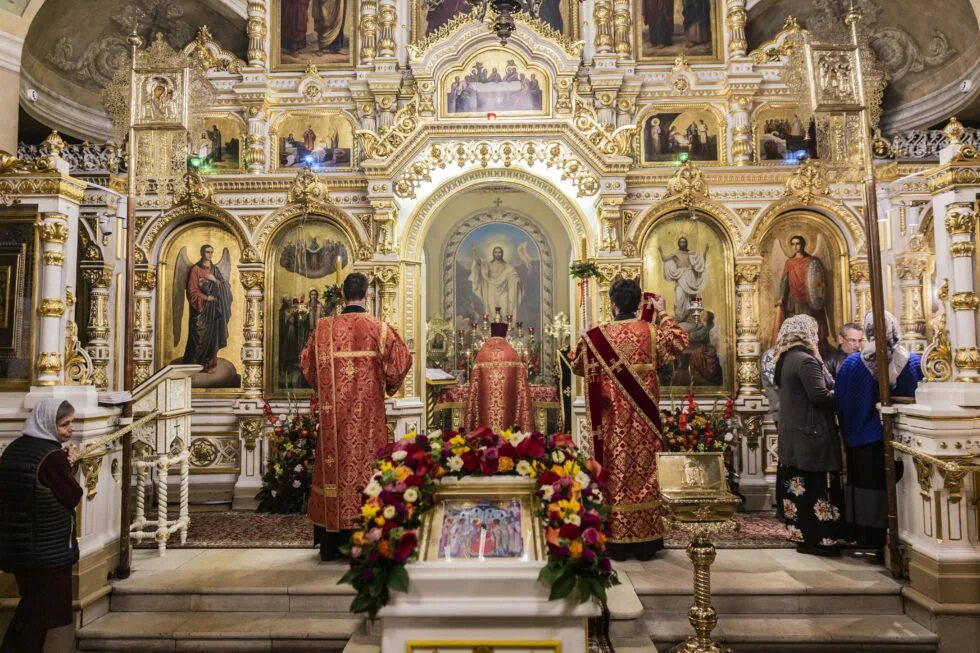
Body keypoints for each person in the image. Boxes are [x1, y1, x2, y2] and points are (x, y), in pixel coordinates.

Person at [571, 280, 689, 560]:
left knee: (616, 474)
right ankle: (646, 542)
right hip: (645, 422)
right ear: (638, 303)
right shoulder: (650, 331)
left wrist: (583, 341)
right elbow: (679, 342)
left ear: (613, 304)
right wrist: (664, 313)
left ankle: (617, 540)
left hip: (612, 424)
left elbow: (577, 366)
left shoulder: (597, 336)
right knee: (645, 474)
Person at [300, 272, 412, 561]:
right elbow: (401, 361)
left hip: (333, 422)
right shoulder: (380, 329)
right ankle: (367, 539)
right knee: (367, 470)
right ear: (367, 294)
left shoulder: (323, 328)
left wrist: (326, 387)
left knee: (335, 472)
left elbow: (307, 365)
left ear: (342, 293)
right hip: (368, 421)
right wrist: (387, 386)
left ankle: (331, 543)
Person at [835, 311, 922, 552]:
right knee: (898, 489)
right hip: (904, 441)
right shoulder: (912, 362)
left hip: (861, 437)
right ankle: (897, 537)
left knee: (866, 489)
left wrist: (848, 429)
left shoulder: (852, 363)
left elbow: (841, 402)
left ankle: (867, 537)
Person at [0, 399, 82, 653]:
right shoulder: (51, 457)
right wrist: (71, 463)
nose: (70, 430)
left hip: (19, 548)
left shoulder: (16, 448)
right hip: (47, 553)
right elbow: (72, 495)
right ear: (47, 423)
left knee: (30, 610)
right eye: (64, 425)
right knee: (38, 618)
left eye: (71, 423)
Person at [773, 315, 844, 557]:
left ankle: (803, 536)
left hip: (797, 436)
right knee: (814, 488)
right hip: (811, 435)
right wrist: (844, 392)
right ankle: (819, 538)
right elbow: (820, 396)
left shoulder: (787, 358)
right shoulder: (806, 360)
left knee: (799, 489)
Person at [463, 321, 533, 433]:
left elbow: (474, 388)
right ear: (505, 333)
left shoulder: (482, 354)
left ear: (491, 332)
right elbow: (522, 388)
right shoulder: (512, 353)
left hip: (484, 411)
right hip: (508, 411)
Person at [772, 235, 832, 358]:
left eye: (798, 243)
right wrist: (782, 296)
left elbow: (818, 281)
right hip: (794, 299)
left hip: (809, 299)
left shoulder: (812, 260)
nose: (795, 246)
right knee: (796, 322)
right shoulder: (789, 262)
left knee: (811, 323)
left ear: (803, 244)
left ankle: (813, 347)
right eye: (793, 244)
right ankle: (796, 346)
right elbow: (784, 280)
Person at [182, 244, 232, 374]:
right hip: (200, 309)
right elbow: (192, 291)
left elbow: (224, 286)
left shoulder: (215, 270)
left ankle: (208, 364)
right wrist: (206, 297)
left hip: (213, 309)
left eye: (211, 252)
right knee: (199, 337)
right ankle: (193, 365)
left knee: (213, 337)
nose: (209, 254)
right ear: (201, 253)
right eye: (207, 252)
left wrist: (214, 280)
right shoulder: (195, 269)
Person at [658, 236, 708, 326]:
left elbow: (700, 261)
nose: (682, 244)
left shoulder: (691, 253)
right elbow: (664, 259)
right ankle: (679, 317)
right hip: (681, 276)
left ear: (686, 243)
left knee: (691, 297)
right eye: (681, 242)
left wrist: (705, 252)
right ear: (678, 243)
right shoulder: (675, 253)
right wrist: (660, 250)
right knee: (679, 296)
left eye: (684, 242)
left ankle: (690, 317)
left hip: (690, 275)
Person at [469, 245, 524, 321]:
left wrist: (517, 280)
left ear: (502, 254)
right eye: (496, 252)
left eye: (499, 252)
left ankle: (505, 328)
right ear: (493, 253)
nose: (497, 254)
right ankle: (493, 328)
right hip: (491, 290)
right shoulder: (488, 265)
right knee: (492, 310)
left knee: (504, 309)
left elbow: (514, 275)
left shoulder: (506, 266)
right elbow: (479, 263)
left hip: (503, 290)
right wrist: (474, 252)